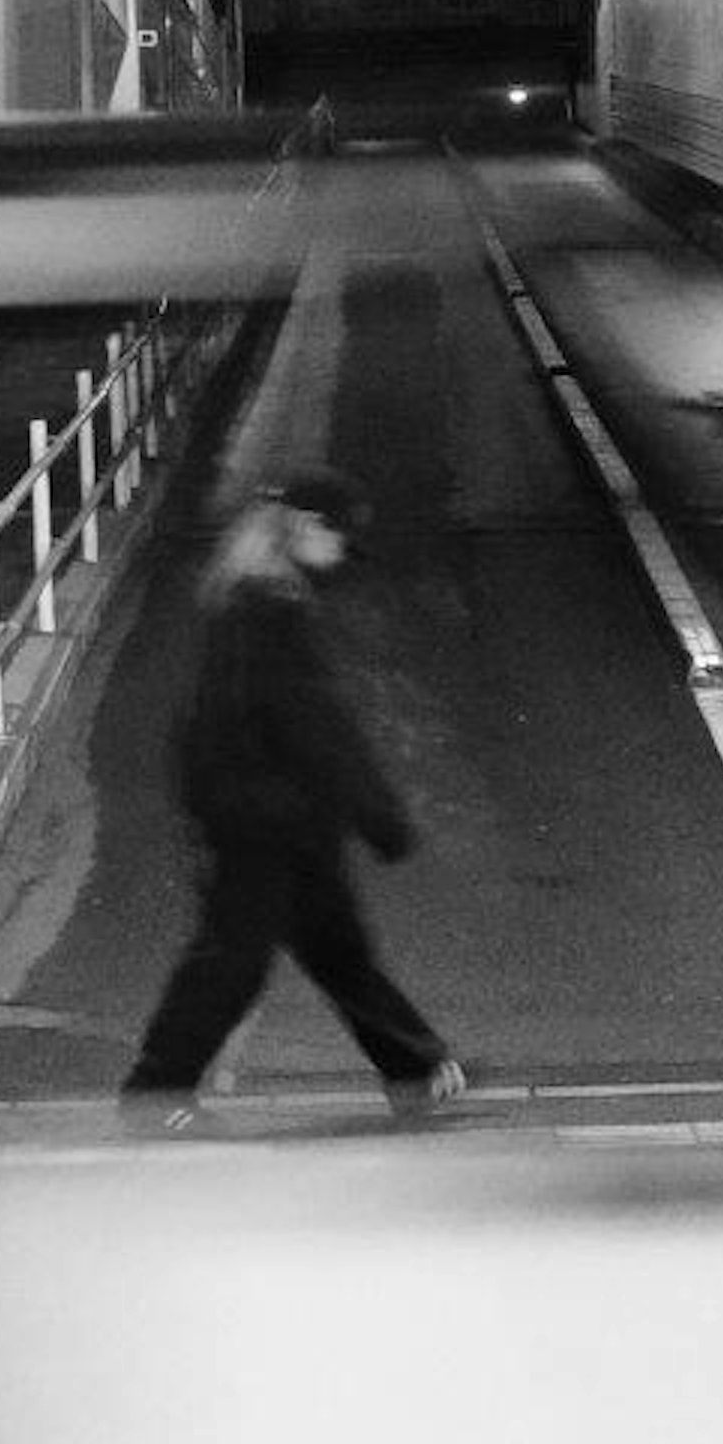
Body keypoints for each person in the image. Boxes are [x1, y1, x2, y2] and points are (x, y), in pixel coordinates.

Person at [120, 466, 467, 1131]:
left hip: (271, 814)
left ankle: (415, 1070)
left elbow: (210, 724)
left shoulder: (247, 598)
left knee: (333, 949)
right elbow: (316, 725)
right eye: (339, 538)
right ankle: (154, 1097)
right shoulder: (268, 611)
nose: (343, 555)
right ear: (306, 527)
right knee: (235, 960)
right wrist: (380, 813)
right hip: (265, 819)